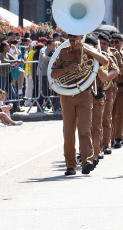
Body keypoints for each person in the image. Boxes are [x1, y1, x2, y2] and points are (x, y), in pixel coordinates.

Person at [50, 34, 109, 175]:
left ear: (81, 38)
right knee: (69, 131)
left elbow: (105, 62)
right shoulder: (63, 52)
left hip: (85, 95)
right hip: (67, 95)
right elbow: (53, 74)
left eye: (75, 38)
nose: (72, 41)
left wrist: (88, 51)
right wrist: (68, 68)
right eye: (70, 38)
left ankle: (87, 161)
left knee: (85, 129)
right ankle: (70, 165)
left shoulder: (89, 52)